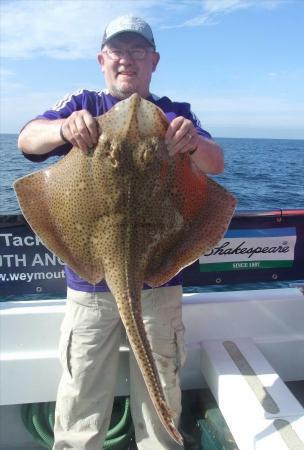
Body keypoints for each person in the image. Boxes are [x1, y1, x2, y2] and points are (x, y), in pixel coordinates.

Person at [18, 15, 224, 450]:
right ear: (102, 60)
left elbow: (215, 163)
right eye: (117, 51)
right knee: (81, 392)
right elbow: (27, 141)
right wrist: (62, 129)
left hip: (158, 279)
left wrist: (191, 143)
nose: (126, 59)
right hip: (90, 284)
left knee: (159, 388)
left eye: (137, 51)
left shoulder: (176, 114)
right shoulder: (84, 104)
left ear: (153, 61)